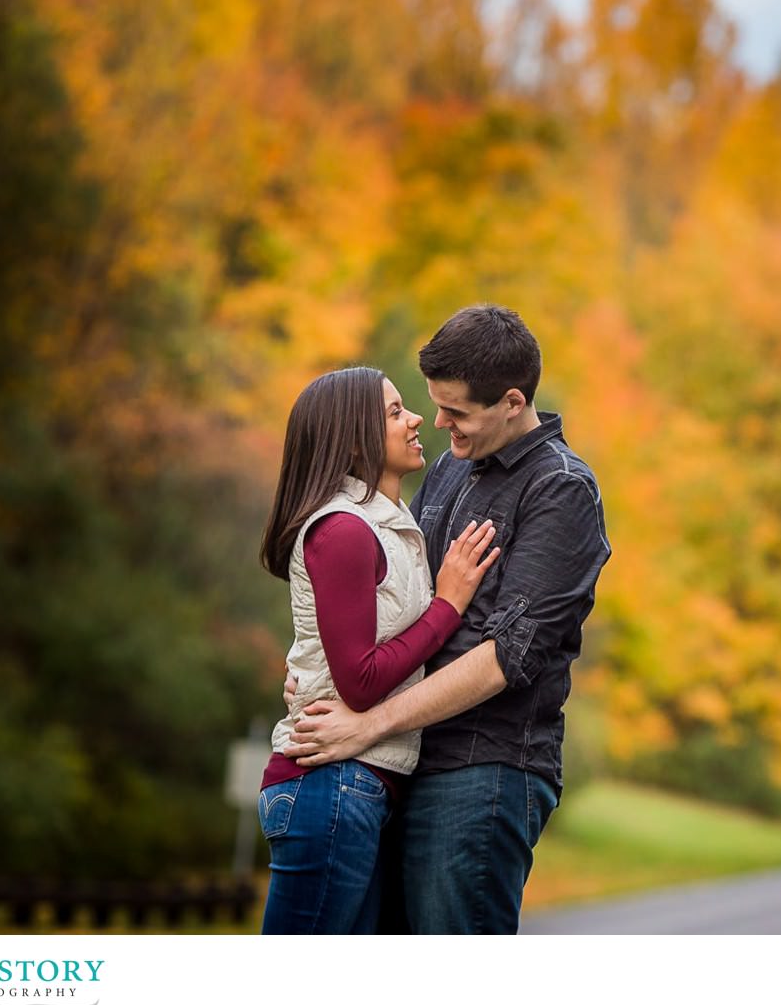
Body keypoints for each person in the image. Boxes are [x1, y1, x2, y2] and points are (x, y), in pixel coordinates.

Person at [284, 305, 611, 934]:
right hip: (400, 760)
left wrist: (365, 725)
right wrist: (317, 670)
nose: (438, 424)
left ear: (513, 402)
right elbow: (396, 607)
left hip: (481, 772)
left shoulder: (561, 489)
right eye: (435, 406)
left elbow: (506, 657)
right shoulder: (449, 469)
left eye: (456, 412)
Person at [255, 366, 502, 935]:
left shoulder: (386, 526)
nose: (417, 418)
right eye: (395, 412)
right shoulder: (343, 529)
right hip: (328, 788)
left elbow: (342, 649)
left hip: (358, 790)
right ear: (354, 436)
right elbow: (360, 681)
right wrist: (448, 605)